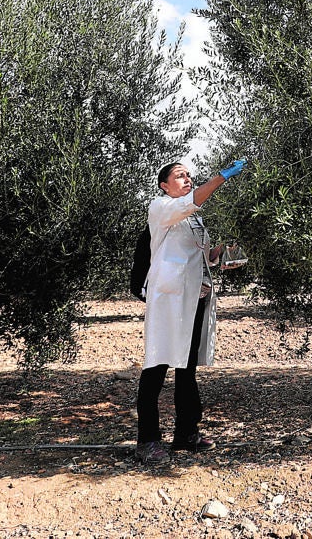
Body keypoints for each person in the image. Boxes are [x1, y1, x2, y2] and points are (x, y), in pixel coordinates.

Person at [135, 158, 247, 464]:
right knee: (157, 365)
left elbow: (202, 256)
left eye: (188, 175)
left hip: (195, 299)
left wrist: (223, 253)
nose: (187, 179)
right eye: (179, 176)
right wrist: (221, 177)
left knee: (187, 369)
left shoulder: (194, 220)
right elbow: (192, 201)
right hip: (169, 301)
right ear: (164, 185)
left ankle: (186, 433)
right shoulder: (160, 207)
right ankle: (147, 441)